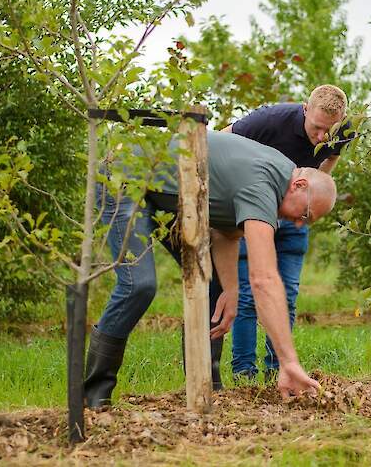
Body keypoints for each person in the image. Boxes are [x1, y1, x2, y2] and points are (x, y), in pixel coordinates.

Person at [83, 130, 336, 407]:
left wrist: (230, 289)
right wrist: (289, 362)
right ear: (299, 185)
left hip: (171, 196)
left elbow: (226, 232)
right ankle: (94, 395)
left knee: (212, 281)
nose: (298, 224)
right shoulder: (265, 185)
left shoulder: (279, 175)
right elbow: (264, 279)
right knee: (138, 285)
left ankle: (207, 389)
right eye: (304, 216)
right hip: (126, 175)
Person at [221, 84, 351, 379]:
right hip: (254, 211)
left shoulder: (343, 130)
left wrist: (313, 189)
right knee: (247, 294)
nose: (322, 137)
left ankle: (278, 369)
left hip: (294, 214)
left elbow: (332, 156)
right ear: (305, 109)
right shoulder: (269, 120)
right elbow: (219, 141)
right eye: (317, 128)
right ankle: (244, 371)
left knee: (288, 294)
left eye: (329, 131)